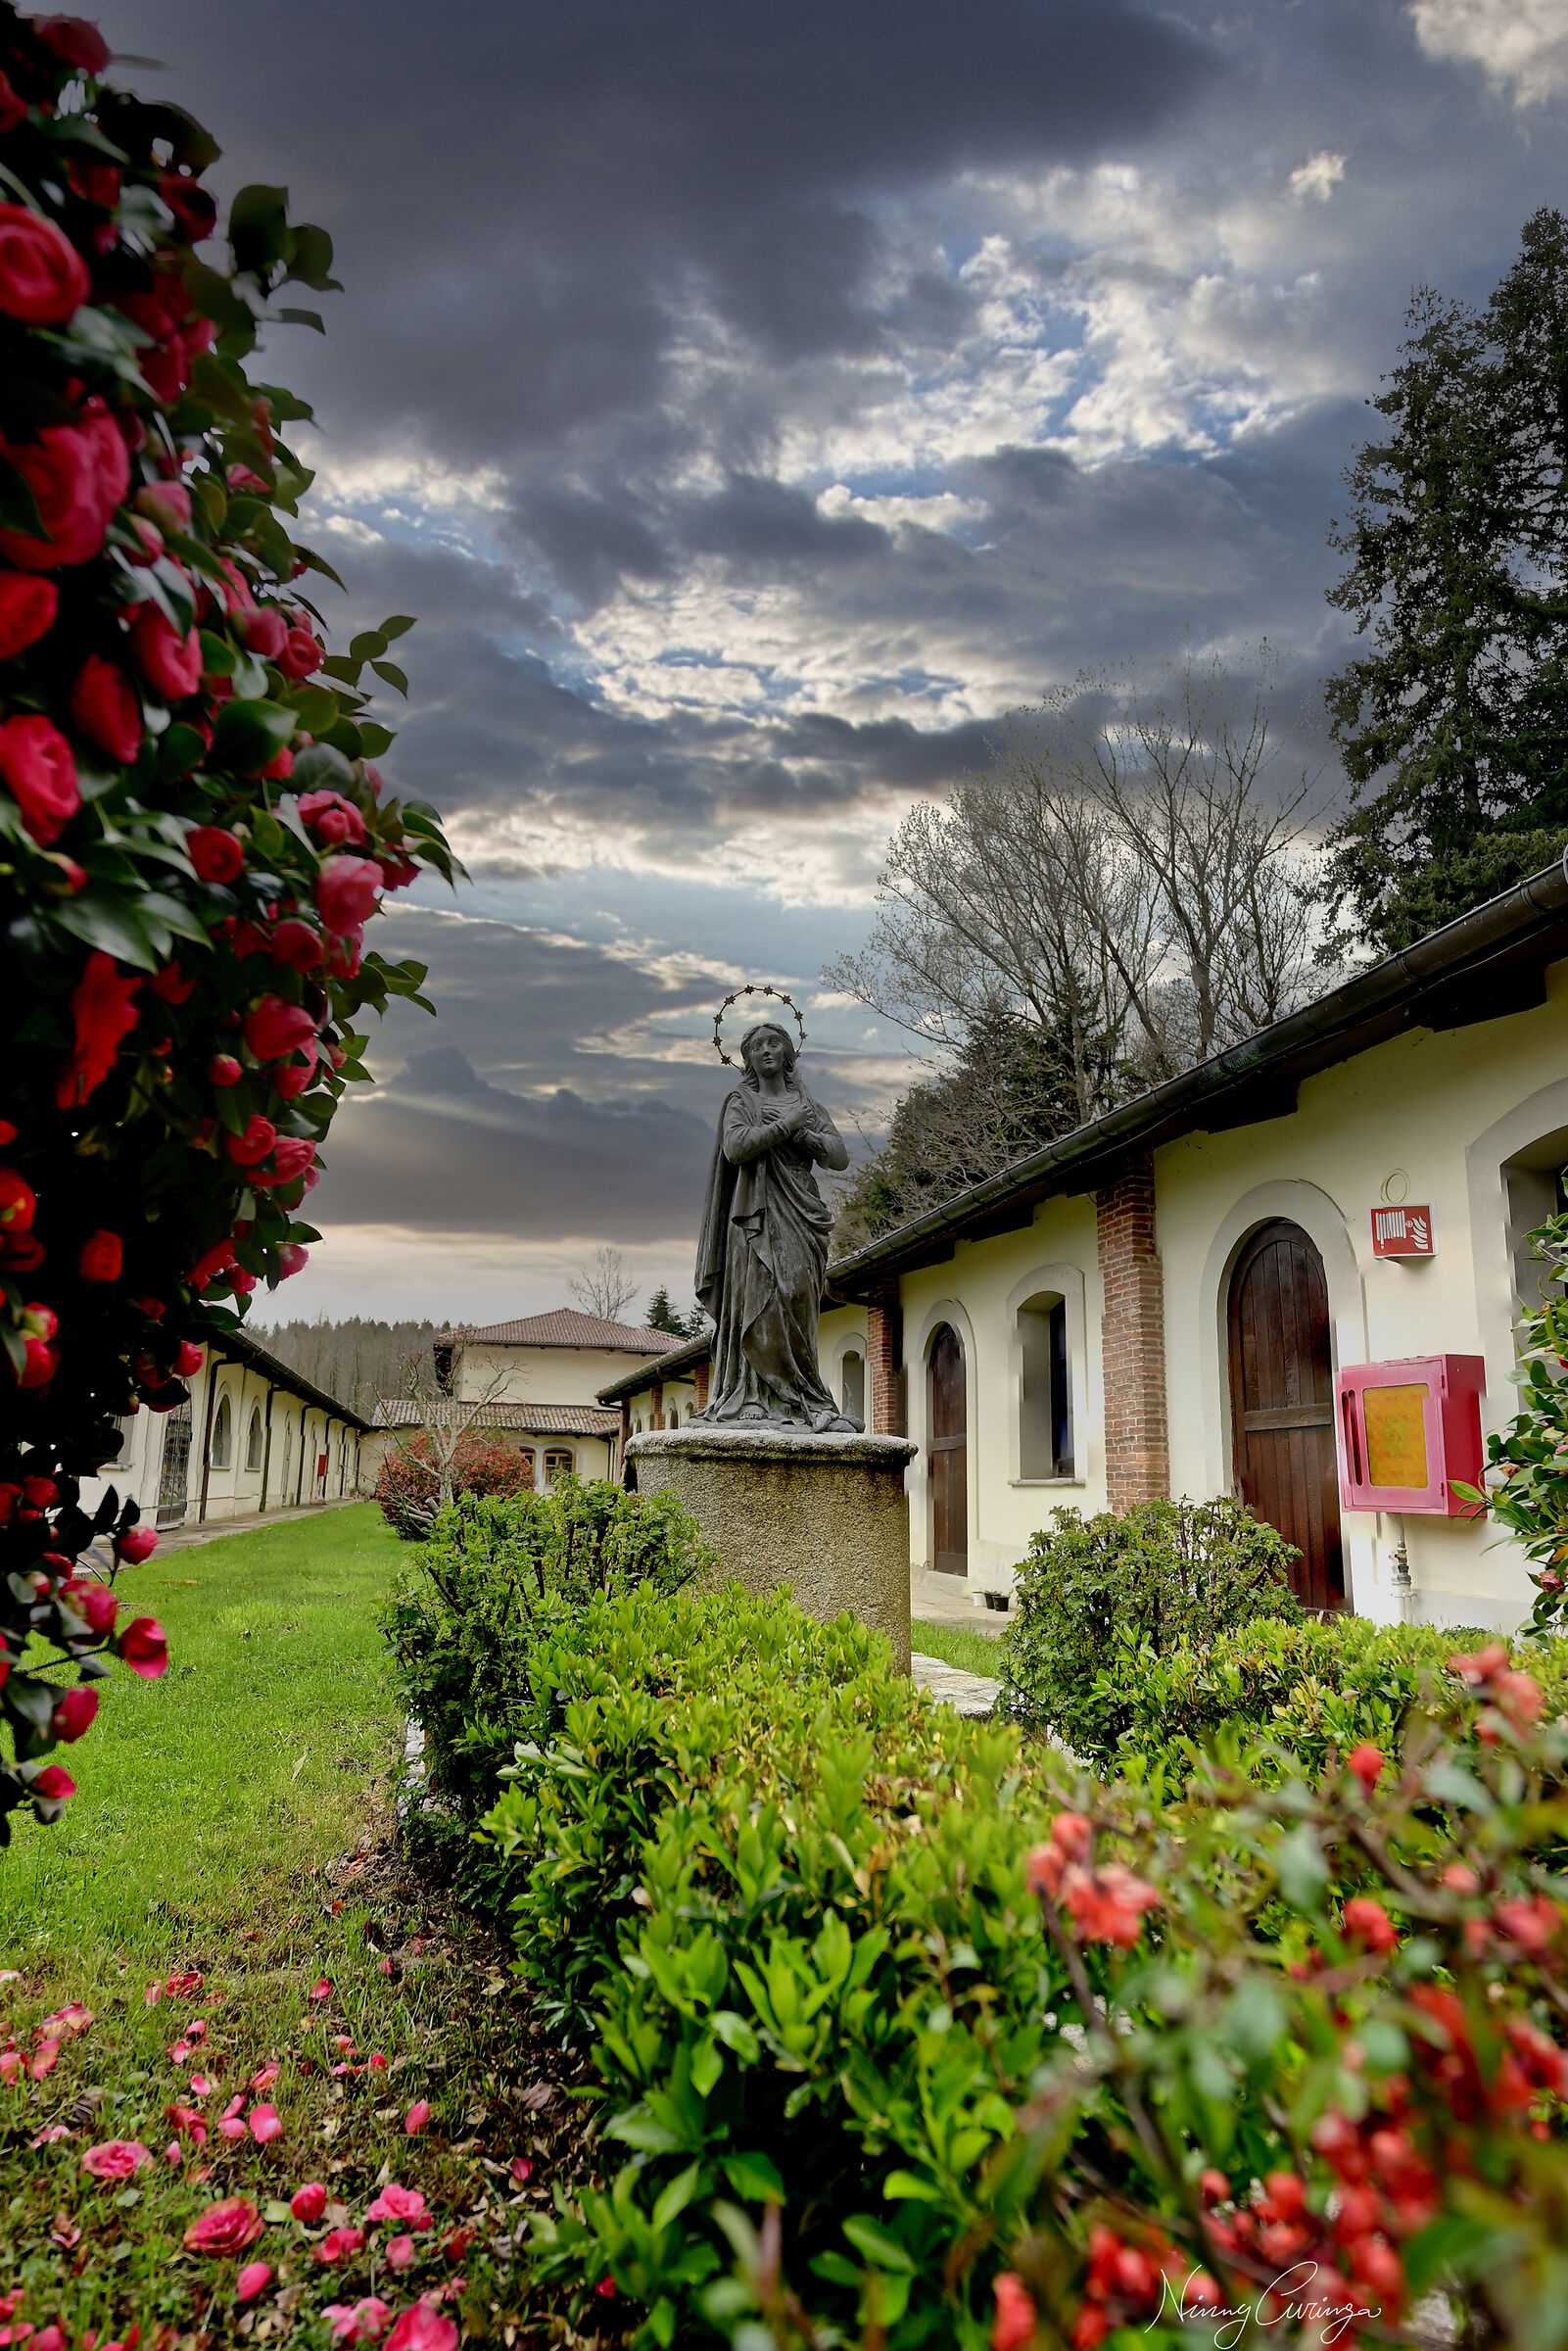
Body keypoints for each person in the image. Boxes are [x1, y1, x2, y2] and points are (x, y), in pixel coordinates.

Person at [692, 1021, 860, 1429]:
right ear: (747, 1058)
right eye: (757, 1046)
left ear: (787, 1051)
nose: (766, 1050)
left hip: (800, 1212)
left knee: (799, 1298)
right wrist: (785, 1126)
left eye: (774, 1043)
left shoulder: (808, 1105)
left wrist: (803, 1132)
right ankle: (750, 1395)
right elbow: (735, 1148)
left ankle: (805, 1397)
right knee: (757, 1298)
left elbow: (838, 1157)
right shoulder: (740, 1101)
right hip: (754, 1215)